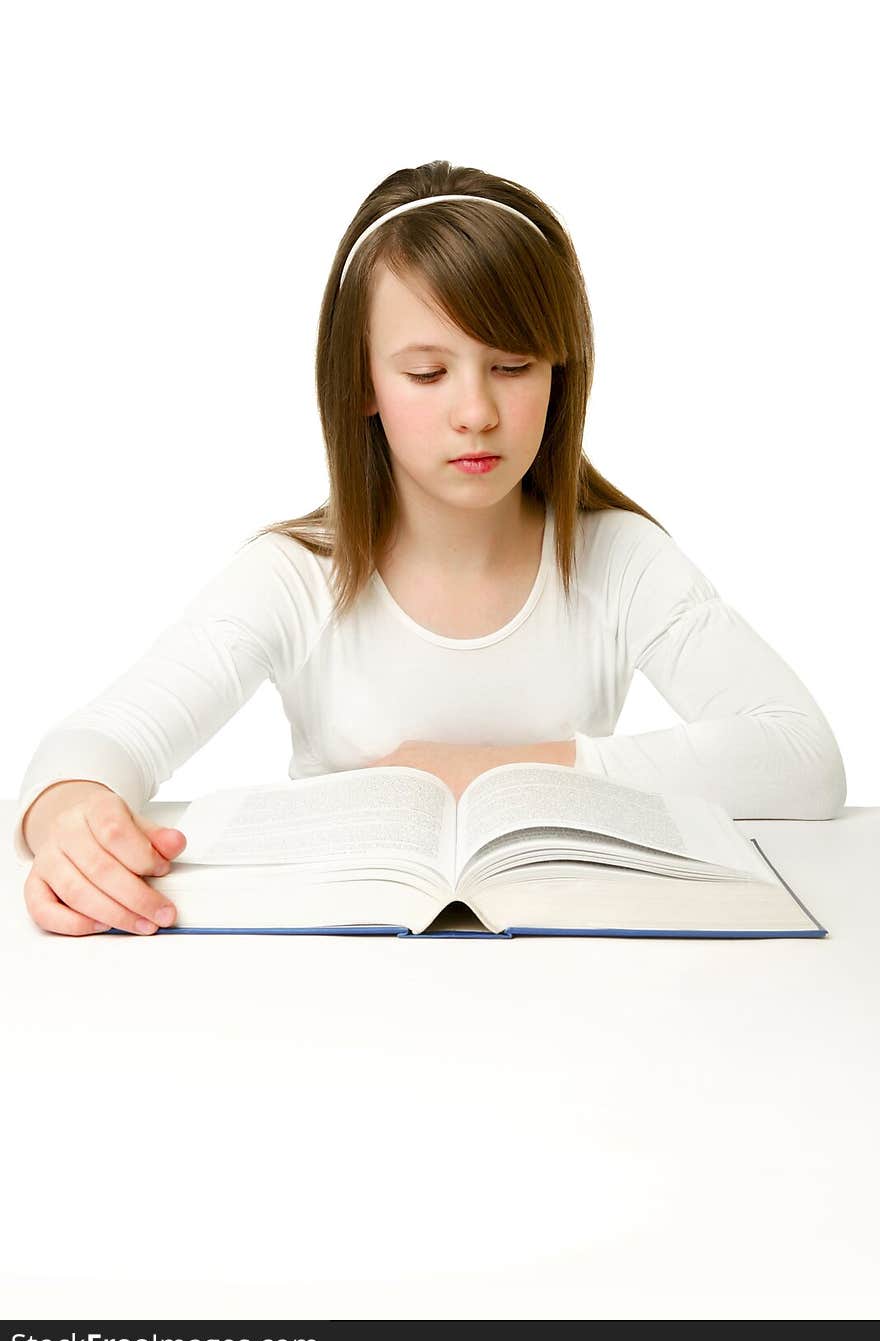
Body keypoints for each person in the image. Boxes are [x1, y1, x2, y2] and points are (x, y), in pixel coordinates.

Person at [14, 159, 847, 938]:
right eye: (426, 374)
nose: (476, 413)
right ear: (362, 383)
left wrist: (487, 771)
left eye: (513, 365)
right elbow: (97, 742)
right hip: (344, 970)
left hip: (582, 972)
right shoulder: (296, 575)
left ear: (563, 371)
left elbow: (802, 756)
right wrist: (70, 814)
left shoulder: (618, 559)